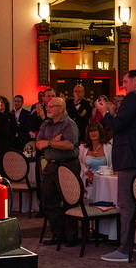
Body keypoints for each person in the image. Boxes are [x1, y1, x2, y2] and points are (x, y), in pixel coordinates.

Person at [96, 69, 136, 262]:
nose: (123, 86)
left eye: (125, 81)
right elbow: (131, 123)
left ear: (135, 80)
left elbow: (118, 125)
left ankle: (124, 249)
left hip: (129, 158)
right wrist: (114, 113)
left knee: (126, 204)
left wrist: (105, 113)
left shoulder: (133, 97)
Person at [37, 98, 80, 245]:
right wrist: (55, 142)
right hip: (51, 166)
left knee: (69, 201)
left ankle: (71, 236)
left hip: (68, 165)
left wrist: (49, 142)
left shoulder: (69, 124)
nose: (47, 108)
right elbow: (38, 144)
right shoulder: (45, 124)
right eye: (47, 106)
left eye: (51, 106)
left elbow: (69, 145)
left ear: (61, 108)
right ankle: (57, 234)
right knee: (49, 201)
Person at [78, 122, 112, 187]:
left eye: (95, 131)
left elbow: (112, 165)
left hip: (104, 182)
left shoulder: (109, 148)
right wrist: (87, 172)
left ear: (100, 132)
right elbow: (80, 163)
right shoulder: (82, 148)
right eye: (90, 131)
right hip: (87, 181)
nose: (93, 133)